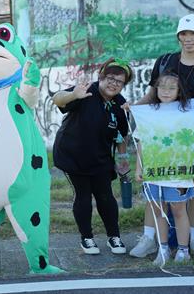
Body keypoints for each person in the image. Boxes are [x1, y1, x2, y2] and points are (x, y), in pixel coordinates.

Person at [130, 14, 194, 259]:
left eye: (193, 33)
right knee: (154, 188)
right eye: (184, 34)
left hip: (192, 139)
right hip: (161, 137)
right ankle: (149, 239)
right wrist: (134, 107)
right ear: (178, 36)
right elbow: (151, 96)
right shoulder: (165, 61)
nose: (188, 39)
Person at [52, 58, 133, 255]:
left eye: (119, 81)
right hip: (72, 155)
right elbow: (58, 98)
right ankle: (87, 238)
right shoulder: (86, 90)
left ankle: (114, 237)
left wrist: (123, 161)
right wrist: (73, 95)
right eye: (111, 78)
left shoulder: (120, 105)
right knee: (83, 195)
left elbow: (122, 135)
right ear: (102, 77)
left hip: (101, 158)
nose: (114, 83)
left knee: (106, 196)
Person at [134, 70, 194, 266]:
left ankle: (183, 250)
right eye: (162, 87)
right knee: (159, 210)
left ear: (180, 91)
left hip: (179, 171)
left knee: (179, 209)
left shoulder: (188, 112)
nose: (166, 91)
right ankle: (162, 250)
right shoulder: (148, 113)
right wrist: (139, 167)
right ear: (155, 89)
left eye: (172, 87)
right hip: (154, 169)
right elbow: (141, 142)